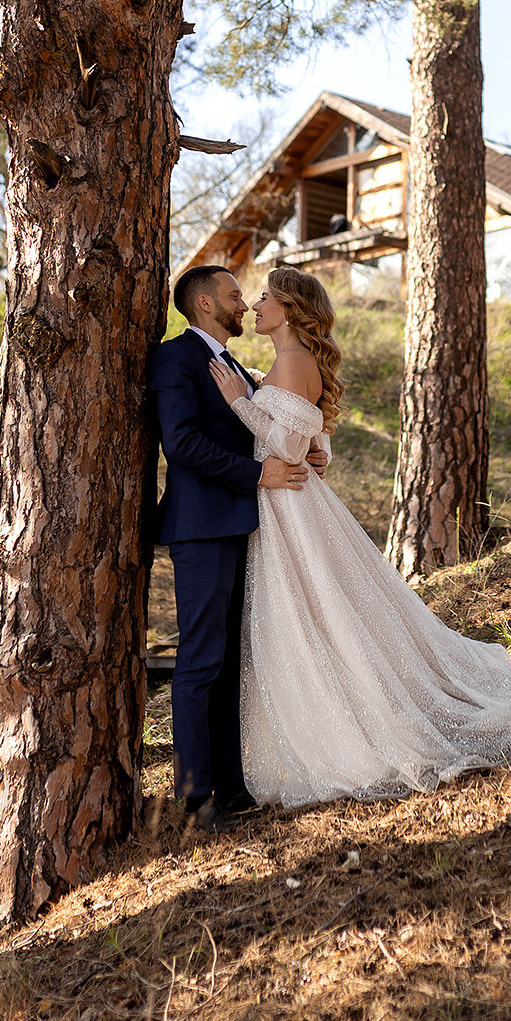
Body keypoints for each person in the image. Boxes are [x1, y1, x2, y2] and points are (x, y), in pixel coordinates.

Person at [209, 266, 511, 809]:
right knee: (317, 612)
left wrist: (240, 402)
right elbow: (314, 437)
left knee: (320, 610)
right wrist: (266, 401)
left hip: (291, 503)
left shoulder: (295, 360)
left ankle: (361, 720)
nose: (255, 304)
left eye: (264, 296)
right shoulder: (287, 363)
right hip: (286, 504)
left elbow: (293, 446)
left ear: (289, 308)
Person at [145, 265, 327, 830]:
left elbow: (272, 427)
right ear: (204, 304)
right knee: (200, 661)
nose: (244, 303)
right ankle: (194, 799)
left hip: (244, 526)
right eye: (234, 295)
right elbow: (182, 444)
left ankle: (233, 788)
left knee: (228, 663)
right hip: (202, 528)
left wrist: (308, 450)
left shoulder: (236, 368)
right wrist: (257, 474)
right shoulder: (176, 359)